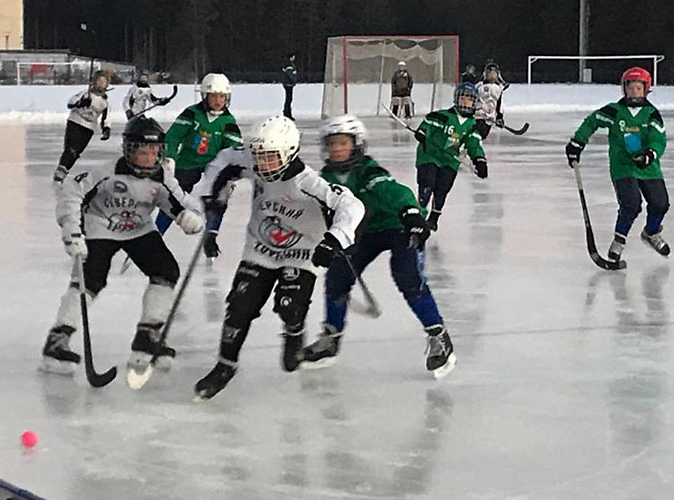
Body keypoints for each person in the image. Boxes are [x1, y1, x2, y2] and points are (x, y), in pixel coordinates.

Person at [192, 115, 365, 400]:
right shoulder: (257, 163)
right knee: (239, 307)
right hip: (260, 249)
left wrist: (335, 238)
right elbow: (225, 161)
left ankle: (294, 332)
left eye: (270, 157)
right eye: (258, 157)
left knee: (290, 306)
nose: (262, 165)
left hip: (301, 253)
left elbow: (350, 205)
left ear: (289, 153)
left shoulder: (307, 181)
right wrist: (212, 194)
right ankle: (225, 366)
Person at [40, 116, 205, 375]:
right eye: (143, 151)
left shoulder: (162, 176)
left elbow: (178, 201)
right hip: (100, 226)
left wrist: (187, 217)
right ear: (129, 150)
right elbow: (72, 192)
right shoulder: (105, 172)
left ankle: (147, 337)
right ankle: (57, 341)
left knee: (166, 271)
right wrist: (72, 231)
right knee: (91, 280)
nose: (149, 157)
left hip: (138, 228)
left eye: (154, 151)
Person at [301, 115, 456, 379]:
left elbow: (392, 190)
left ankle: (438, 335)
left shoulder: (368, 171)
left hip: (398, 226)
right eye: (332, 143)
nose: (337, 148)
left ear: (357, 144)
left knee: (408, 276)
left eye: (343, 142)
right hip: (365, 232)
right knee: (337, 276)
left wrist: (410, 213)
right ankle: (331, 337)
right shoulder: (325, 178)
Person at [566, 67, 670, 261]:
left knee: (660, 204)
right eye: (630, 87)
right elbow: (592, 121)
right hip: (622, 167)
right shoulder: (615, 111)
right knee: (631, 204)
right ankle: (619, 241)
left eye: (639, 88)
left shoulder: (652, 114)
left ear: (646, 89)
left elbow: (659, 139)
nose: (634, 92)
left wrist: (650, 154)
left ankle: (651, 232)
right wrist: (577, 142)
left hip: (649, 167)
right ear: (624, 88)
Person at [156, 72, 242, 260]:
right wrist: (170, 158)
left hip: (213, 165)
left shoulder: (228, 122)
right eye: (214, 96)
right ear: (205, 96)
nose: (218, 100)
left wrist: (230, 174)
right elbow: (173, 136)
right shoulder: (192, 113)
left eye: (222, 96)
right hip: (188, 161)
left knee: (218, 197)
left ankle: (211, 236)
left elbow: (232, 150)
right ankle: (156, 234)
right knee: (172, 196)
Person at [413, 82, 488, 231]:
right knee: (427, 183)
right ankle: (419, 216)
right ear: (456, 99)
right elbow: (428, 123)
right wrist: (422, 132)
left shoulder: (471, 125)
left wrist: (479, 160)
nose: (465, 101)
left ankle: (433, 219)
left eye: (469, 98)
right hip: (429, 155)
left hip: (449, 160)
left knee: (442, 189)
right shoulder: (442, 116)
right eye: (462, 98)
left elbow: (473, 144)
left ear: (474, 101)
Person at [53, 71, 112, 182]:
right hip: (75, 121)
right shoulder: (85, 93)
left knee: (77, 152)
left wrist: (106, 129)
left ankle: (64, 170)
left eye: (104, 82)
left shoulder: (105, 102)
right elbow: (70, 103)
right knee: (71, 149)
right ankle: (60, 172)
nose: (101, 84)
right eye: (99, 81)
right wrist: (81, 103)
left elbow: (106, 118)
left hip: (89, 128)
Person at [474, 60, 509, 139]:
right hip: (478, 117)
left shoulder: (499, 88)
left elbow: (499, 104)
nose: (492, 76)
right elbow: (473, 100)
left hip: (490, 118)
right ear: (486, 74)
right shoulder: (479, 86)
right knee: (476, 135)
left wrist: (500, 117)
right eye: (490, 74)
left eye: (494, 74)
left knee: (483, 136)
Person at [282, 53, 297, 120]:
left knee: (288, 99)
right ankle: (287, 113)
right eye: (293, 57)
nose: (294, 58)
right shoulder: (289, 65)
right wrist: (293, 80)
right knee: (289, 99)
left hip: (287, 84)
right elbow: (290, 74)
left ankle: (287, 112)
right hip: (288, 84)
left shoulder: (288, 64)